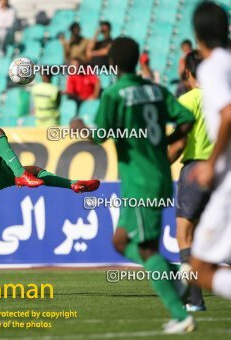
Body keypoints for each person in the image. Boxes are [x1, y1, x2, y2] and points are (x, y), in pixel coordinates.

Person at [70, 37, 196, 333]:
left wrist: (78, 129)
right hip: (155, 176)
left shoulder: (114, 94)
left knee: (146, 249)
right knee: (120, 241)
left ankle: (181, 314)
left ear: (112, 64)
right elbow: (187, 119)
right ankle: (177, 275)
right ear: (137, 59)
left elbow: (99, 136)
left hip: (142, 181)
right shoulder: (155, 89)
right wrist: (160, 143)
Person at [188, 1, 231, 301]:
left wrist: (210, 163)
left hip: (228, 179)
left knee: (197, 268)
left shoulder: (212, 66)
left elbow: (228, 113)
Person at [168, 50, 213, 312]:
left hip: (196, 170)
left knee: (185, 236)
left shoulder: (188, 99)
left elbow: (178, 144)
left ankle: (195, 301)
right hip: (224, 170)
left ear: (188, 73)